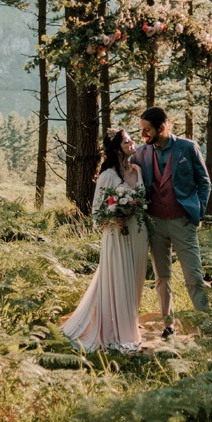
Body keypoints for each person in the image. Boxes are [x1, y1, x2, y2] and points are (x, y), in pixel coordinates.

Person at [62, 129, 149, 352]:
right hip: (116, 235)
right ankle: (115, 330)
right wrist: (115, 217)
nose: (132, 142)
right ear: (116, 147)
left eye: (131, 139)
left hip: (139, 233)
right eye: (127, 140)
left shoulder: (138, 170)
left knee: (136, 279)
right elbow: (96, 214)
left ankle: (129, 323)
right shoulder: (107, 176)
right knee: (119, 279)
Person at [132, 107, 211, 339]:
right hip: (155, 224)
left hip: (182, 222)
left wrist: (196, 213)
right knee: (161, 277)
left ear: (162, 127)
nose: (143, 134)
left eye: (147, 130)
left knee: (193, 276)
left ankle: (205, 325)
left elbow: (204, 182)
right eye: (141, 130)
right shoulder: (141, 153)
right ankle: (168, 325)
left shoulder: (187, 147)